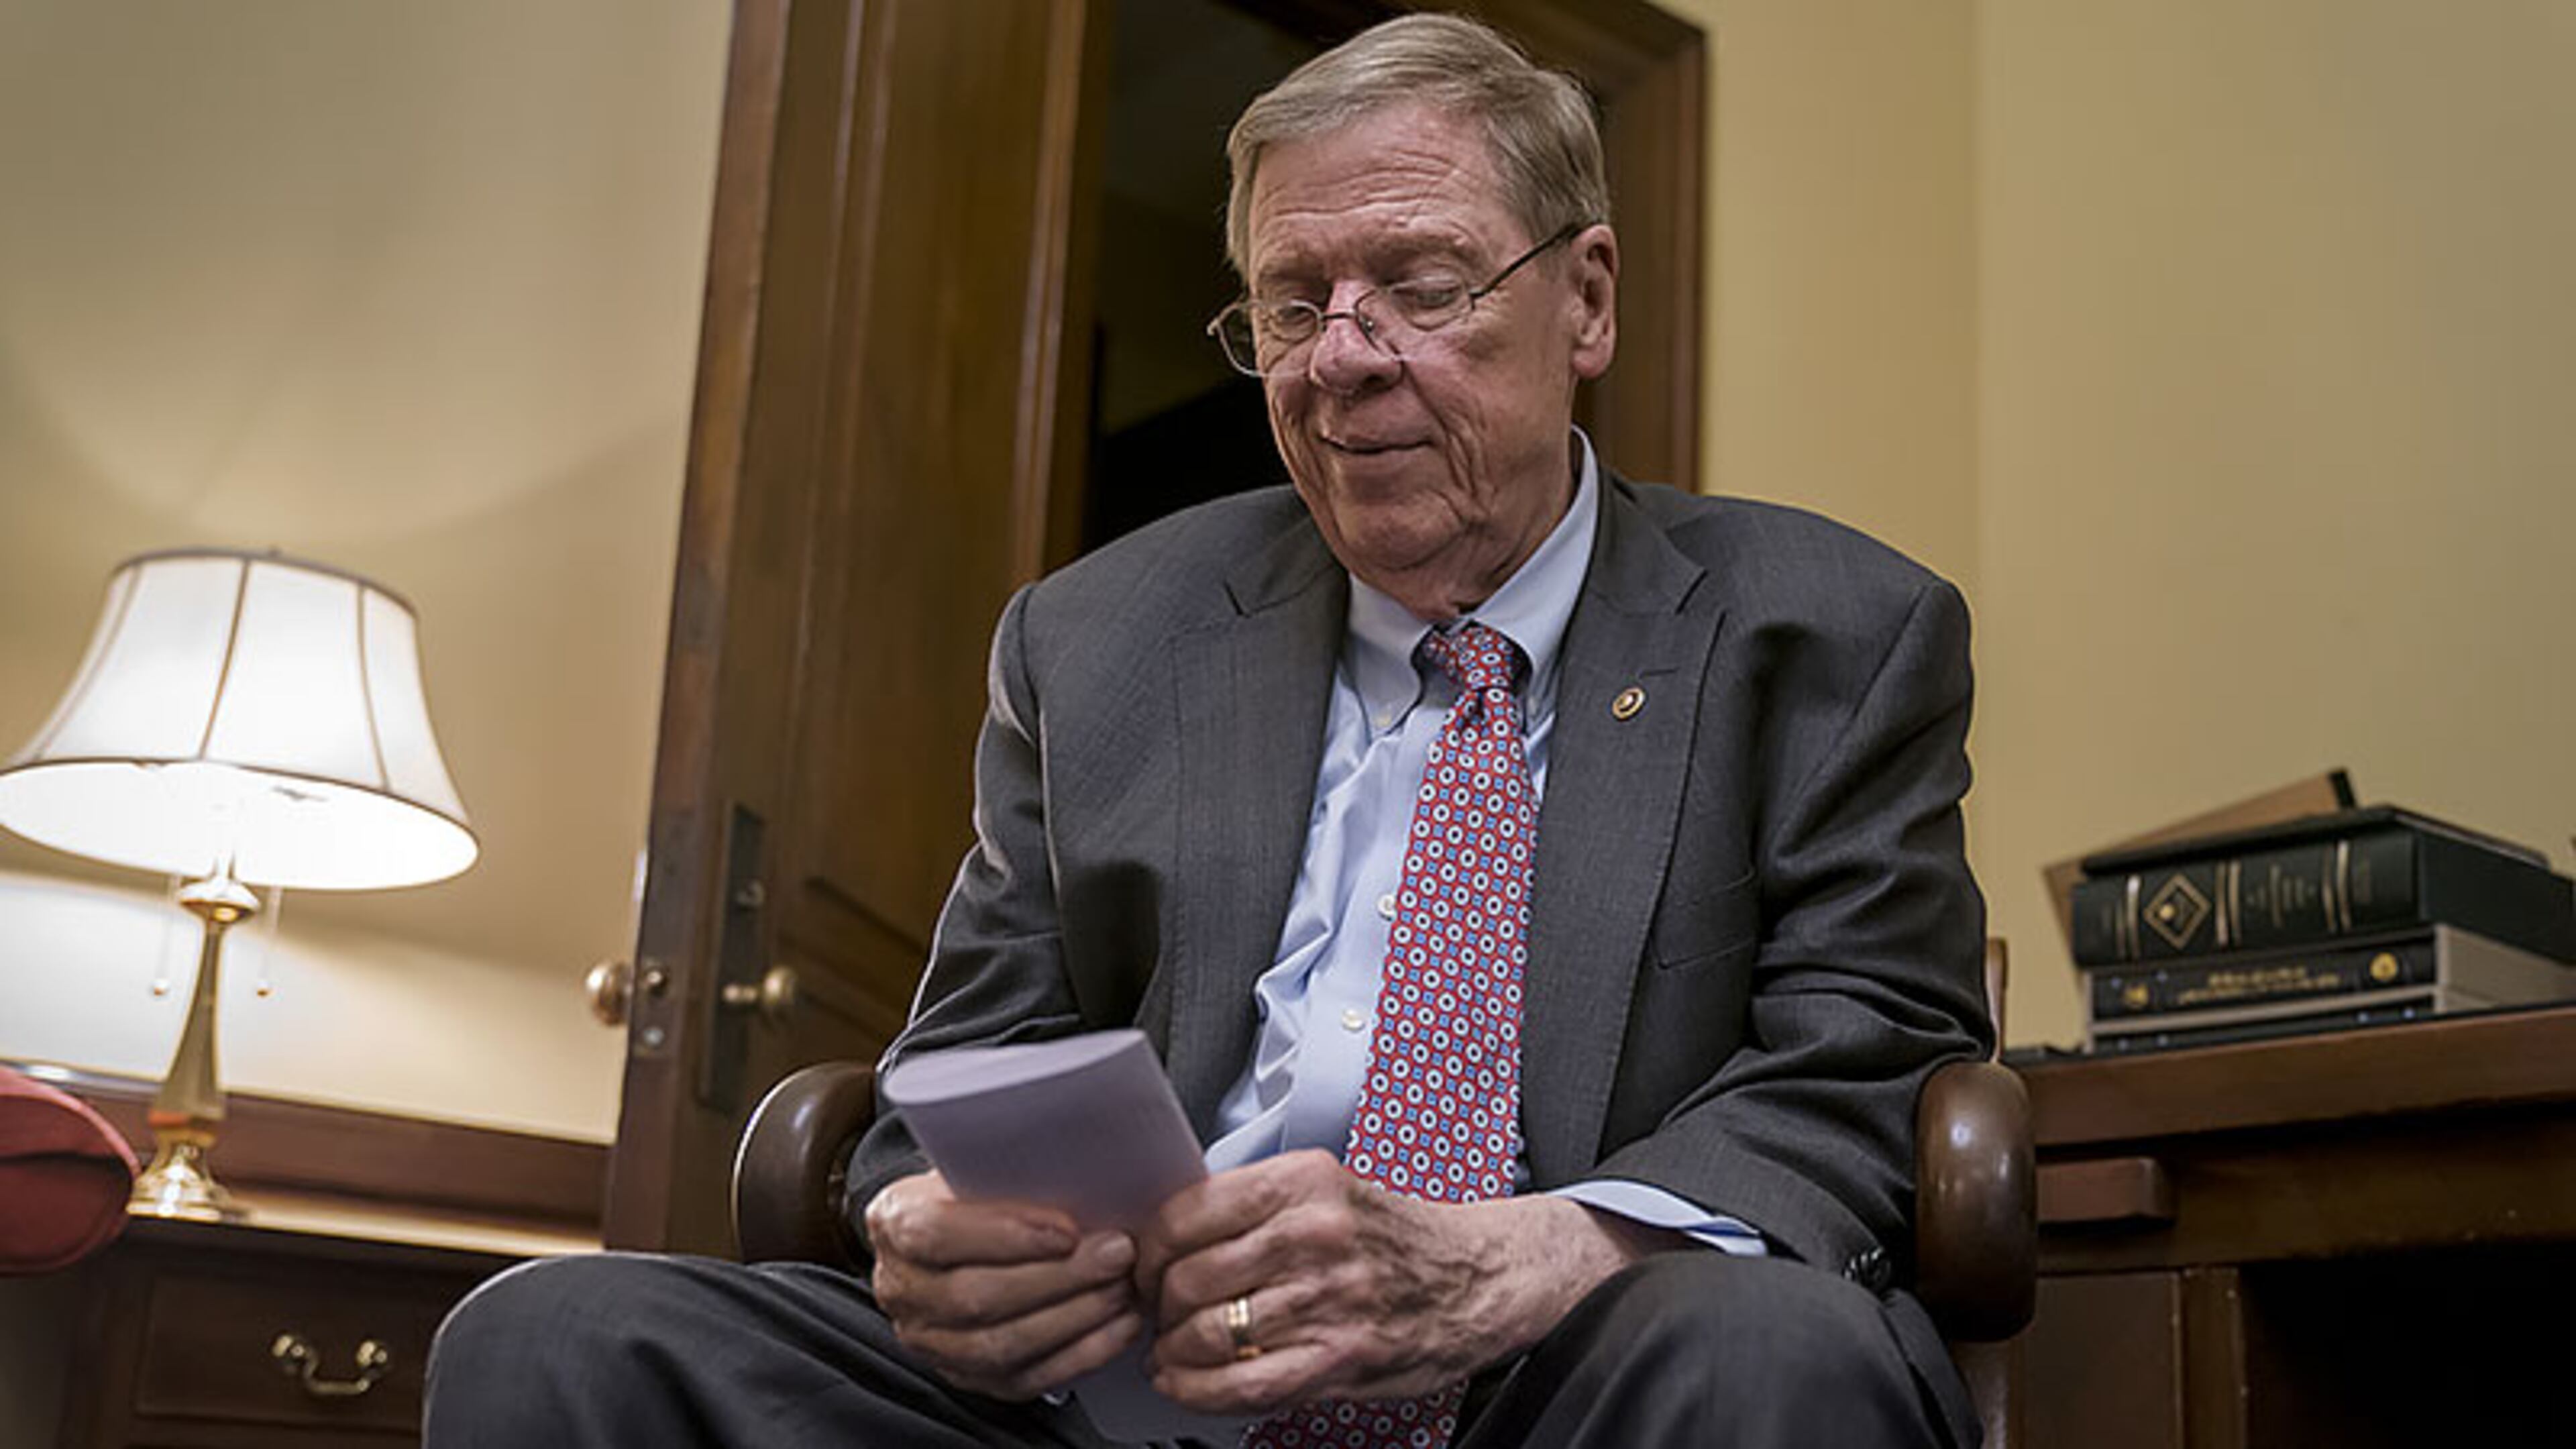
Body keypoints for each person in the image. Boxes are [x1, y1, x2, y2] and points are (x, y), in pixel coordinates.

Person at [425, 13, 1988, 1448]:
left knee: (1767, 1353)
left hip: (1562, 1367)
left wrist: (1514, 1260)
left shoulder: (1832, 634)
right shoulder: (1097, 641)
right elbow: (962, 1075)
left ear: (1585, 299)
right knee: (557, 1336)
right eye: (1293, 304)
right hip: (1134, 1398)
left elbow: (1867, 1062)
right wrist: (936, 1232)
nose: (1342, 358)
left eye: (1423, 285)